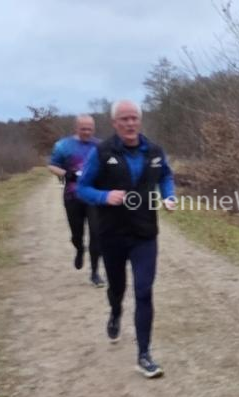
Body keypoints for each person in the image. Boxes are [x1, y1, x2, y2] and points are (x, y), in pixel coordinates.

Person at [77, 100, 175, 379]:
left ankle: (144, 354)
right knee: (117, 288)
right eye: (124, 119)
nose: (130, 123)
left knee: (144, 291)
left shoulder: (154, 151)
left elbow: (166, 176)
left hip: (145, 233)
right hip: (112, 233)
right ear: (114, 123)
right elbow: (82, 188)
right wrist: (104, 196)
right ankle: (115, 311)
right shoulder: (102, 152)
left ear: (140, 121)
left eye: (134, 118)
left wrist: (169, 196)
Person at [48, 114, 105, 287]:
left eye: (90, 129)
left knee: (96, 234)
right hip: (72, 197)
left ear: (94, 129)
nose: (87, 132)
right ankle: (79, 248)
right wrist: (67, 174)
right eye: (83, 129)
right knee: (77, 234)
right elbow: (52, 166)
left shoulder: (101, 146)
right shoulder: (63, 145)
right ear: (76, 128)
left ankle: (95, 273)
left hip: (94, 196)